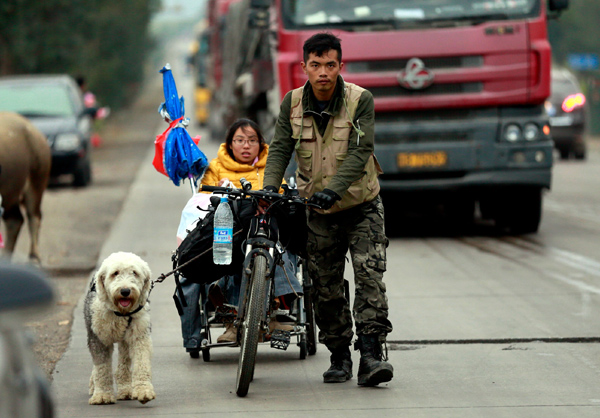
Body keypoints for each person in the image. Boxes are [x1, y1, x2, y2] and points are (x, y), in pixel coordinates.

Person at [262, 32, 393, 386]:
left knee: (369, 278)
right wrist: (269, 189)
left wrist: (333, 190)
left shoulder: (360, 100)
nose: (323, 72)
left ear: (340, 66)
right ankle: (339, 355)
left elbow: (360, 151)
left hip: (362, 205)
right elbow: (279, 150)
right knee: (325, 286)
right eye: (316, 65)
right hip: (318, 212)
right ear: (304, 66)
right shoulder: (291, 103)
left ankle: (370, 355)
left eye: (330, 65)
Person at [177, 118, 302, 352]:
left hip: (267, 230)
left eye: (252, 141)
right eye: (240, 140)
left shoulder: (271, 167)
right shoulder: (215, 168)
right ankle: (233, 319)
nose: (246, 146)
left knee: (282, 249)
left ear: (261, 144)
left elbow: (283, 194)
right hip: (233, 232)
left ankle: (275, 309)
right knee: (232, 257)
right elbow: (203, 202)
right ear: (230, 143)